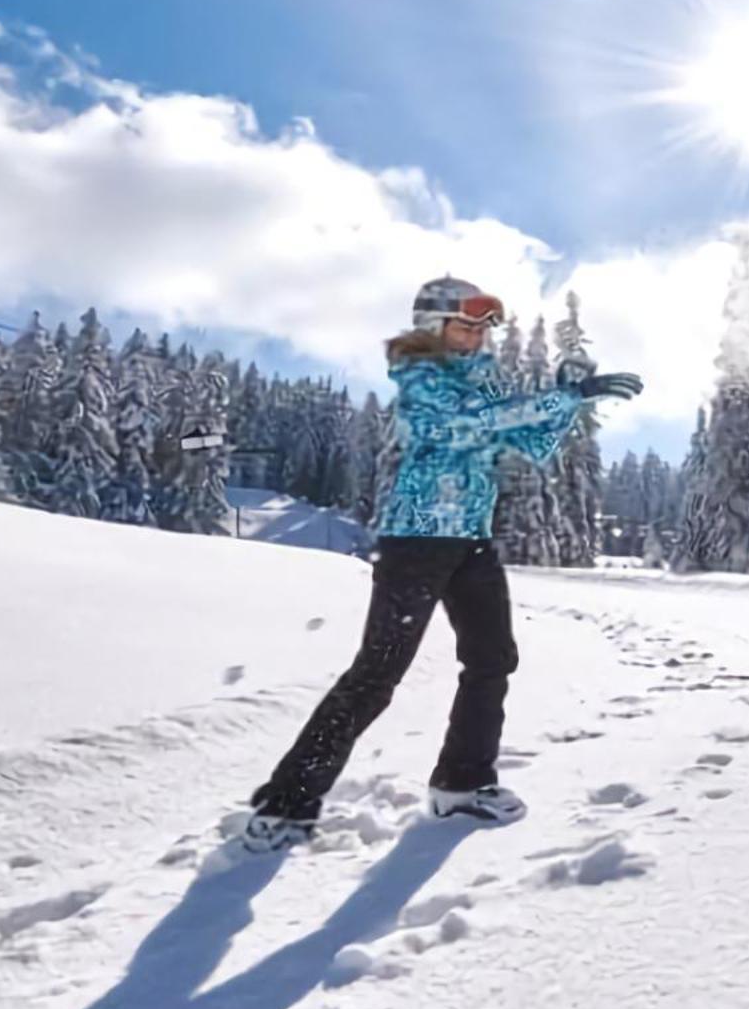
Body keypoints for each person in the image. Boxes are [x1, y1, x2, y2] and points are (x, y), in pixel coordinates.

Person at [242, 276, 644, 852]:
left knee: (492, 658)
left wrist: (567, 402)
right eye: (465, 325)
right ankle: (285, 805)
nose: (477, 336)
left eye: (483, 327)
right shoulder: (420, 379)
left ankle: (462, 782)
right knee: (377, 675)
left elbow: (532, 446)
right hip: (417, 541)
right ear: (433, 327)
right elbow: (461, 429)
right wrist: (557, 401)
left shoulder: (484, 382)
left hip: (470, 541)